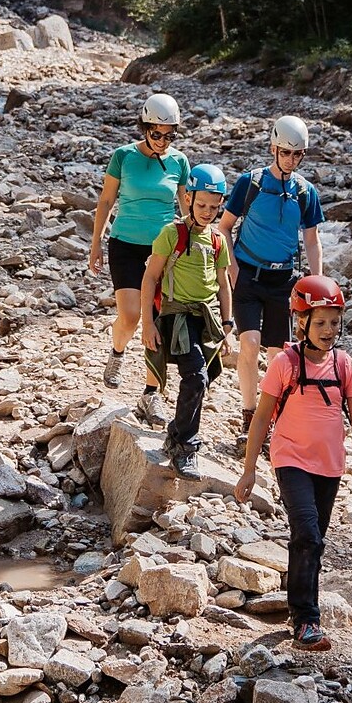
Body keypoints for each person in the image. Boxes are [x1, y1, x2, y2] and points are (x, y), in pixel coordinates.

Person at [235, 275, 352, 650]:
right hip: (290, 460)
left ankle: (300, 605)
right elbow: (262, 418)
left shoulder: (345, 366)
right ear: (300, 322)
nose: (328, 330)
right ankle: (305, 619)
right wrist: (249, 469)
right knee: (308, 533)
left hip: (330, 466)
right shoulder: (285, 364)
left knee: (312, 540)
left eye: (334, 322)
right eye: (320, 322)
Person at [218, 114, 325, 447]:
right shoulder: (250, 183)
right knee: (249, 344)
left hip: (283, 282)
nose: (291, 160)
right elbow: (224, 227)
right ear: (273, 148)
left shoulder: (306, 193)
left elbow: (311, 239)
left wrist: (317, 283)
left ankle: (270, 419)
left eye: (297, 155)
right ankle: (250, 415)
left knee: (278, 356)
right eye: (285, 152)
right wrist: (232, 268)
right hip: (248, 276)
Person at [89, 92, 189, 426]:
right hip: (126, 244)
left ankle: (151, 393)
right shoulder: (123, 156)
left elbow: (188, 210)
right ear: (144, 127)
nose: (163, 140)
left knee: (158, 324)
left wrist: (196, 246)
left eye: (169, 134)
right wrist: (96, 243)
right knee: (131, 317)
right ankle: (117, 351)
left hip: (163, 251)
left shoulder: (179, 162)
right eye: (156, 133)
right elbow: (105, 201)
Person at [139, 163, 235, 478]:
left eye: (214, 206)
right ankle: (184, 446)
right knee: (196, 378)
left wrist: (228, 325)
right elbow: (150, 277)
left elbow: (223, 284)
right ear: (189, 198)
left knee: (201, 378)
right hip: (178, 316)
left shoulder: (218, 240)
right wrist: (148, 323)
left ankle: (175, 433)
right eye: (202, 204)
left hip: (206, 319)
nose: (208, 211)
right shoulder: (172, 233)